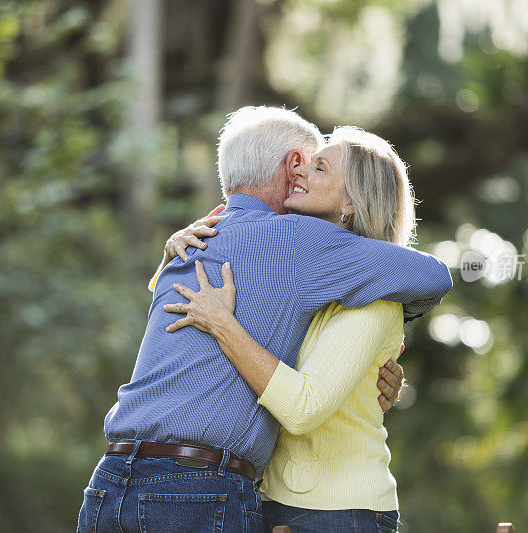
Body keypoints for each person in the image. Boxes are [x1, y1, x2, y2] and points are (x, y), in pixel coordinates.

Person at [77, 107, 452, 533]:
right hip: (202, 489)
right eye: (309, 162)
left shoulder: (202, 240)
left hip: (110, 482)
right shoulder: (296, 247)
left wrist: (381, 350)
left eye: (321, 166)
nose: (308, 172)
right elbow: (433, 277)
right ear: (291, 165)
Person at [162, 126, 425, 532]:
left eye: (319, 167)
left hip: (338, 511)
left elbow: (303, 409)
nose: (299, 172)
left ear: (352, 201)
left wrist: (223, 325)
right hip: (273, 501)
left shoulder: (377, 299)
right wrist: (171, 254)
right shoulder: (297, 273)